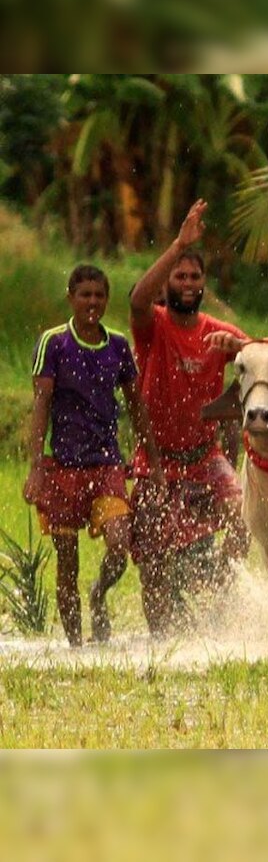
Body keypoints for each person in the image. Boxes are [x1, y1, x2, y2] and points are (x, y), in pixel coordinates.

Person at [22, 265, 164, 646]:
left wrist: (153, 460)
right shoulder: (54, 343)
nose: (92, 302)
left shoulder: (117, 345)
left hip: (105, 466)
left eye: (99, 296)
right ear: (71, 297)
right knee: (67, 564)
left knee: (120, 541)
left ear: (107, 300)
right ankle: (77, 648)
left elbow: (137, 407)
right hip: (63, 470)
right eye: (84, 295)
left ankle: (99, 592)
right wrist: (36, 468)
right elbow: (41, 405)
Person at [127, 198, 250, 635]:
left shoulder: (219, 331)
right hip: (156, 462)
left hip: (205, 457)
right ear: (168, 283)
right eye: (180, 275)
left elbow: (262, 354)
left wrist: (241, 352)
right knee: (155, 565)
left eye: (194, 276)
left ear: (203, 285)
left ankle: (221, 595)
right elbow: (138, 298)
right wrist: (179, 244)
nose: (187, 281)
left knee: (242, 517)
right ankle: (162, 643)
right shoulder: (152, 324)